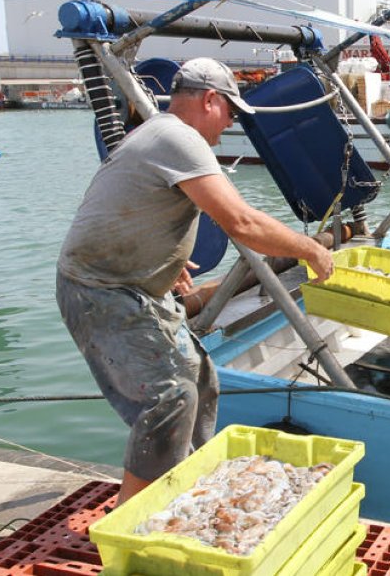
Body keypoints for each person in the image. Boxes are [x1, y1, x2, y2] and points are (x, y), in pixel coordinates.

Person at [55, 57, 334, 506]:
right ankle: (135, 517)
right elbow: (241, 222)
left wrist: (160, 260)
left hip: (133, 285)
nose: (230, 125)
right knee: (170, 396)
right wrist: (311, 248)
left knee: (202, 380)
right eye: (231, 112)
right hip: (100, 292)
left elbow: (125, 207)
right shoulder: (177, 137)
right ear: (209, 100)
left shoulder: (163, 135)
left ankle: (185, 489)